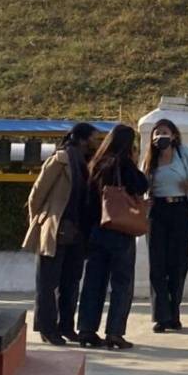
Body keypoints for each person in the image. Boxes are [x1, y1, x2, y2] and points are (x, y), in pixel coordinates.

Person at [23, 122, 97, 346]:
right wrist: (40, 221)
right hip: (56, 228)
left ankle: (66, 326)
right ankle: (47, 328)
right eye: (93, 138)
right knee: (48, 282)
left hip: (78, 230)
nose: (96, 142)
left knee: (71, 281)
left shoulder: (87, 164)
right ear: (83, 139)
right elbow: (37, 194)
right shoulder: (61, 159)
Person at [77, 124, 148, 350]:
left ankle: (87, 330)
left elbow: (87, 202)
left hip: (98, 231)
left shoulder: (96, 165)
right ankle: (115, 332)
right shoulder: (124, 166)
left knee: (93, 282)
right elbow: (142, 184)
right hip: (121, 231)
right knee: (121, 283)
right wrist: (135, 161)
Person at [143, 118, 188, 332]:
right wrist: (144, 198)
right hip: (157, 212)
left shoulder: (185, 154)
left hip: (181, 210)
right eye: (156, 133)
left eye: (164, 132)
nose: (159, 137)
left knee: (178, 264)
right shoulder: (150, 159)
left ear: (173, 135)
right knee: (157, 265)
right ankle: (160, 315)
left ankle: (174, 313)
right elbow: (142, 183)